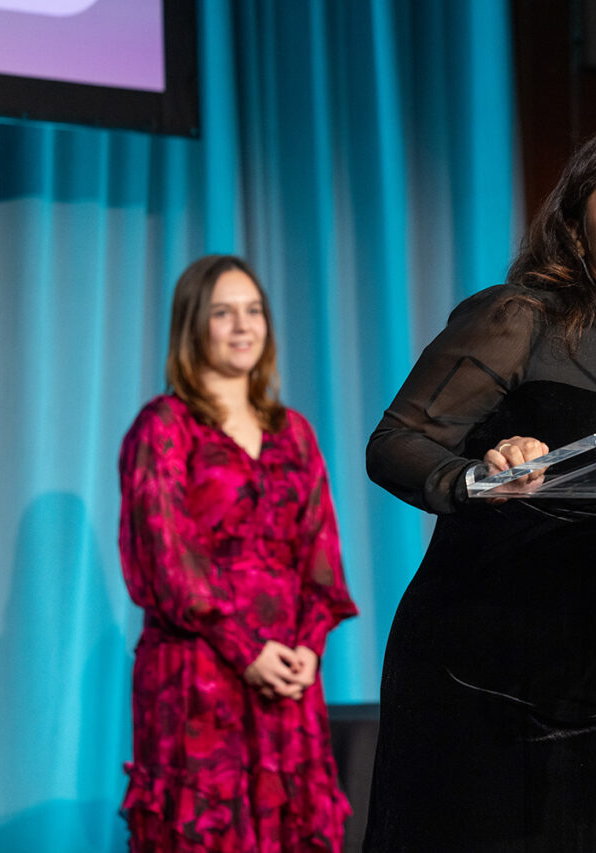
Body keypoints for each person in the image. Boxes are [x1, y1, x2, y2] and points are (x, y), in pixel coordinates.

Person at [363, 120, 596, 851]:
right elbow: (394, 445)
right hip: (472, 677)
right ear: (576, 231)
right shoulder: (520, 319)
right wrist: (474, 475)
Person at [118, 254, 358, 852]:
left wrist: (308, 645)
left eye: (253, 311)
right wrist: (246, 649)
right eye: (223, 313)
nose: (242, 326)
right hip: (198, 677)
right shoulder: (163, 427)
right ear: (192, 326)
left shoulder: (294, 432)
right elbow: (168, 560)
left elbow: (320, 554)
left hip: (286, 680)